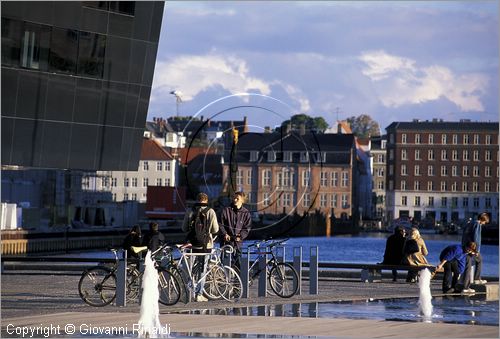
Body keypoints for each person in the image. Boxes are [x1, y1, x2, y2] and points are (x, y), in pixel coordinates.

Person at [182, 192, 219, 302]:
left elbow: (184, 228)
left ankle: (189, 292)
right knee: (202, 269)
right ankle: (199, 294)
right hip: (205, 245)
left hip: (192, 245)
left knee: (190, 269)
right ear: (206, 201)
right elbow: (215, 229)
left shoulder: (190, 211)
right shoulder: (210, 211)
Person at [219, 191, 252, 269]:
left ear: (242, 200)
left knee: (238, 264)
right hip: (226, 242)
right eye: (234, 198)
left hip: (238, 243)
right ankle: (225, 279)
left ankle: (238, 280)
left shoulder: (246, 213)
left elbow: (247, 227)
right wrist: (224, 234)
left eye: (237, 198)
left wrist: (240, 236)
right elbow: (220, 224)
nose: (235, 200)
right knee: (225, 264)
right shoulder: (226, 210)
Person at [461, 213, 489, 289]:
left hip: (466, 246)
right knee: (479, 260)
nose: (484, 224)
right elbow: (476, 237)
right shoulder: (477, 224)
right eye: (485, 222)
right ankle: (477, 278)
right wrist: (476, 250)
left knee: (468, 265)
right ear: (482, 220)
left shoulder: (471, 223)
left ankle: (465, 285)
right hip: (472, 248)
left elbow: (465, 234)